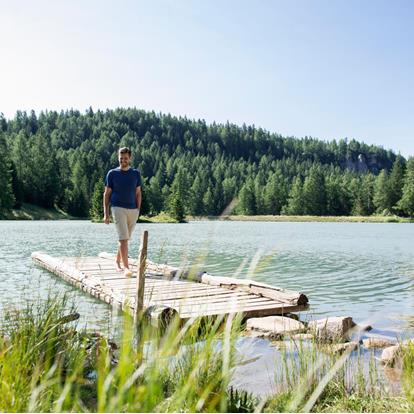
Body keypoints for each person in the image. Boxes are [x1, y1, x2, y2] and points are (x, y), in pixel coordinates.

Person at [103, 147, 142, 277]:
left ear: (129, 158)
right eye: (121, 158)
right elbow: (106, 194)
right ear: (118, 157)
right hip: (117, 208)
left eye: (125, 158)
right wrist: (106, 214)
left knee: (125, 238)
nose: (123, 160)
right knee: (123, 238)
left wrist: (138, 209)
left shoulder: (136, 173)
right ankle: (126, 268)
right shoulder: (112, 173)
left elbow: (138, 193)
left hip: (133, 210)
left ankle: (117, 262)